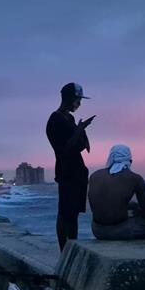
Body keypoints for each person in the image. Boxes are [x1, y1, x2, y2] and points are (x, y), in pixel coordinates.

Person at [46, 82, 95, 250]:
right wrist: (79, 130)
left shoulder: (70, 118)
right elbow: (63, 149)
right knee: (65, 212)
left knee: (73, 213)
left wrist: (82, 130)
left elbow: (78, 145)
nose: (79, 104)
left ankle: (72, 247)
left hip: (78, 171)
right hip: (66, 171)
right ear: (69, 99)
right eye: (77, 100)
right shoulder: (55, 119)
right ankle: (64, 251)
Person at [88, 144, 145, 240]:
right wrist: (139, 211)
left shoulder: (94, 175)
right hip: (120, 232)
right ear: (129, 160)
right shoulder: (135, 178)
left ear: (110, 158)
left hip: (97, 230)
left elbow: (105, 203)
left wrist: (129, 206)